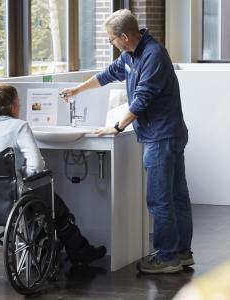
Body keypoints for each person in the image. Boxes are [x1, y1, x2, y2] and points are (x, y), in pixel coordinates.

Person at [60, 9, 193, 274]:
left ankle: (168, 257)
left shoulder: (153, 55)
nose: (111, 43)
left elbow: (143, 98)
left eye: (111, 39)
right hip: (166, 134)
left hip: (162, 136)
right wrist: (77, 90)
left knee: (160, 199)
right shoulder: (130, 55)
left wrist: (117, 126)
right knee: (176, 196)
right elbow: (108, 74)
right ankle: (181, 252)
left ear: (124, 36)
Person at [0, 83, 106, 266]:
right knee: (56, 205)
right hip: (10, 197)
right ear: (13, 106)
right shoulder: (19, 126)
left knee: (44, 201)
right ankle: (79, 252)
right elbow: (37, 164)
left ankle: (57, 248)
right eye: (18, 102)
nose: (20, 106)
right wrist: (22, 177)